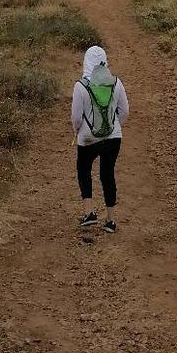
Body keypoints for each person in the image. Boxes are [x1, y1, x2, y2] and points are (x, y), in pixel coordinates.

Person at [71, 44, 129, 233]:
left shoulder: (80, 86)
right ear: (105, 61)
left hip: (88, 138)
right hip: (113, 138)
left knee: (84, 170)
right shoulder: (116, 82)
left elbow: (76, 118)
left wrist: (78, 131)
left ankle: (89, 213)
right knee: (107, 175)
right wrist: (113, 127)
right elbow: (124, 111)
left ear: (86, 62)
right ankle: (110, 221)